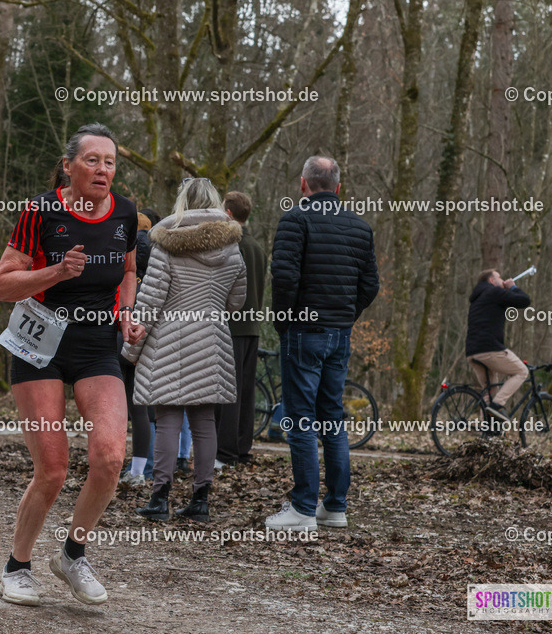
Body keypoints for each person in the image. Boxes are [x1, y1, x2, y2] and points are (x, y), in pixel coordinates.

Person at [0, 122, 140, 606]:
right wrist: (57, 271)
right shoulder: (40, 211)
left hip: (97, 346)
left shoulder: (125, 213)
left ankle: (73, 554)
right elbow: (2, 286)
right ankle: (17, 566)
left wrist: (126, 315)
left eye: (110, 161)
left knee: (111, 457)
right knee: (53, 469)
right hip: (40, 345)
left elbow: (130, 269)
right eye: (92, 160)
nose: (102, 170)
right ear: (69, 165)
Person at [264, 156, 378, 532]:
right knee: (331, 416)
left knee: (300, 418)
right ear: (338, 187)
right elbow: (370, 286)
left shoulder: (295, 220)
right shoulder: (359, 228)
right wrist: (346, 316)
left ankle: (302, 508)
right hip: (338, 334)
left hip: (304, 331)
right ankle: (335, 506)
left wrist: (285, 320)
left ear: (303, 184)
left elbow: (283, 277)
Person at [126, 177, 247, 524]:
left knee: (167, 421)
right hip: (213, 339)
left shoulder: (167, 244)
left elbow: (149, 302)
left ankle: (160, 497)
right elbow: (236, 302)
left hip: (168, 341)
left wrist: (132, 345)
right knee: (205, 421)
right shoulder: (232, 248)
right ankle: (200, 499)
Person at [216, 191, 266, 466]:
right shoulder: (258, 247)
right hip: (252, 327)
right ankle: (242, 448)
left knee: (228, 392)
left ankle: (225, 453)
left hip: (232, 326)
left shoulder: (230, 246)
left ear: (229, 214)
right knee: (246, 392)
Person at [119, 211, 155, 487]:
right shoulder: (156, 271)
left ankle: (115, 461)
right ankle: (139, 469)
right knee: (139, 406)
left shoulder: (122, 271)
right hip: (144, 340)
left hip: (118, 339)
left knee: (118, 407)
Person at [465, 269, 530, 420]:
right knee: (521, 371)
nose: (502, 280)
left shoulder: (477, 299)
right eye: (499, 277)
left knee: (490, 393)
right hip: (490, 349)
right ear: (492, 281)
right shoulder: (494, 293)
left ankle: (486, 434)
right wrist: (512, 287)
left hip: (472, 352)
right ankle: (497, 406)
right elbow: (524, 300)